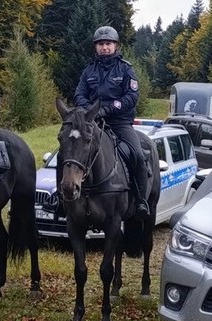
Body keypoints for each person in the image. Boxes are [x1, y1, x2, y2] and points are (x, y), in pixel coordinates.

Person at [73, 25, 150, 220]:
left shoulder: (126, 69)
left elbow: (131, 96)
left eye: (108, 44)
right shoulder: (89, 70)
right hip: (92, 122)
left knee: (138, 155)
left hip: (119, 122)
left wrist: (108, 109)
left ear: (116, 46)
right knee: (67, 151)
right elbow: (79, 94)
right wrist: (90, 110)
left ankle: (141, 200)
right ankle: (64, 196)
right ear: (95, 47)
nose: (104, 47)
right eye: (100, 44)